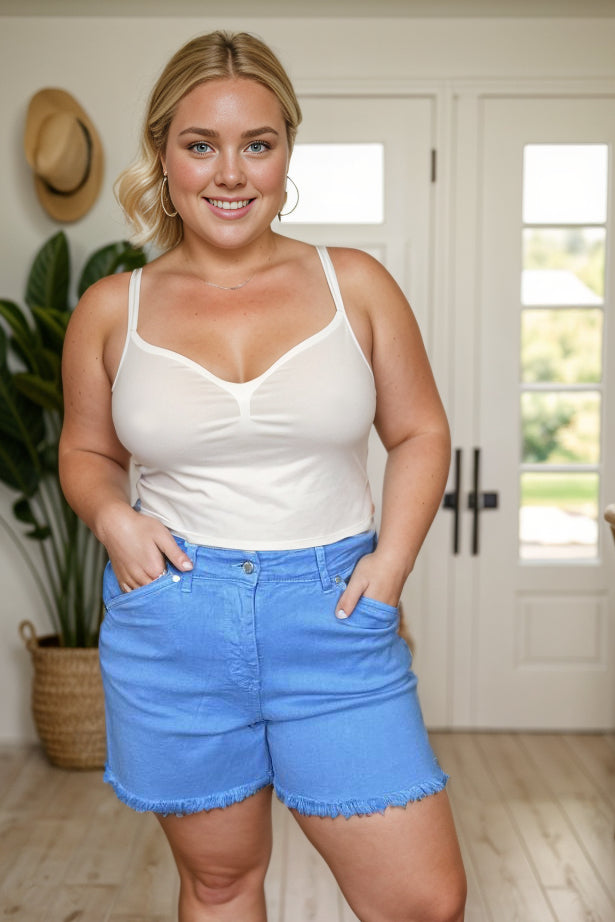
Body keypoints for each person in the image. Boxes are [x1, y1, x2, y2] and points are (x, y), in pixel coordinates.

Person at [59, 30, 466, 922]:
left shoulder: (355, 284)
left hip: (334, 614)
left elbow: (419, 430)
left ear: (286, 152)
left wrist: (390, 565)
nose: (230, 173)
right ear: (163, 153)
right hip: (177, 619)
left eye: (257, 144)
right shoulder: (110, 308)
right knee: (219, 884)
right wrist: (114, 521)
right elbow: (87, 454)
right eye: (201, 144)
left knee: (423, 903)